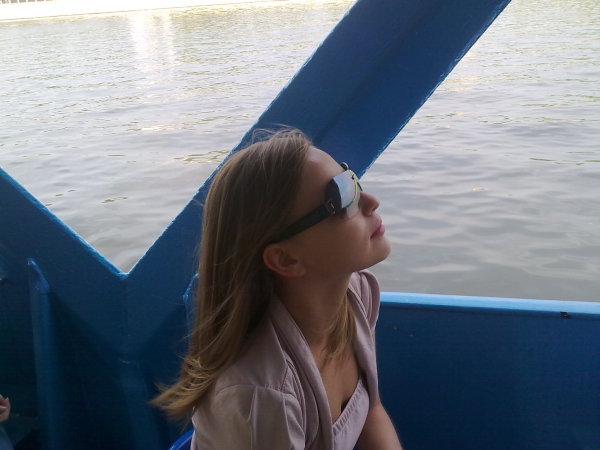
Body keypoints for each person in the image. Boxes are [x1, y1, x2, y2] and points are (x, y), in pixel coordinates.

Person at [153, 129, 402, 449]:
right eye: (341, 198)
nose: (370, 201)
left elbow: (371, 412)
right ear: (285, 259)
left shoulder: (357, 295)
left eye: (351, 179)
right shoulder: (264, 393)